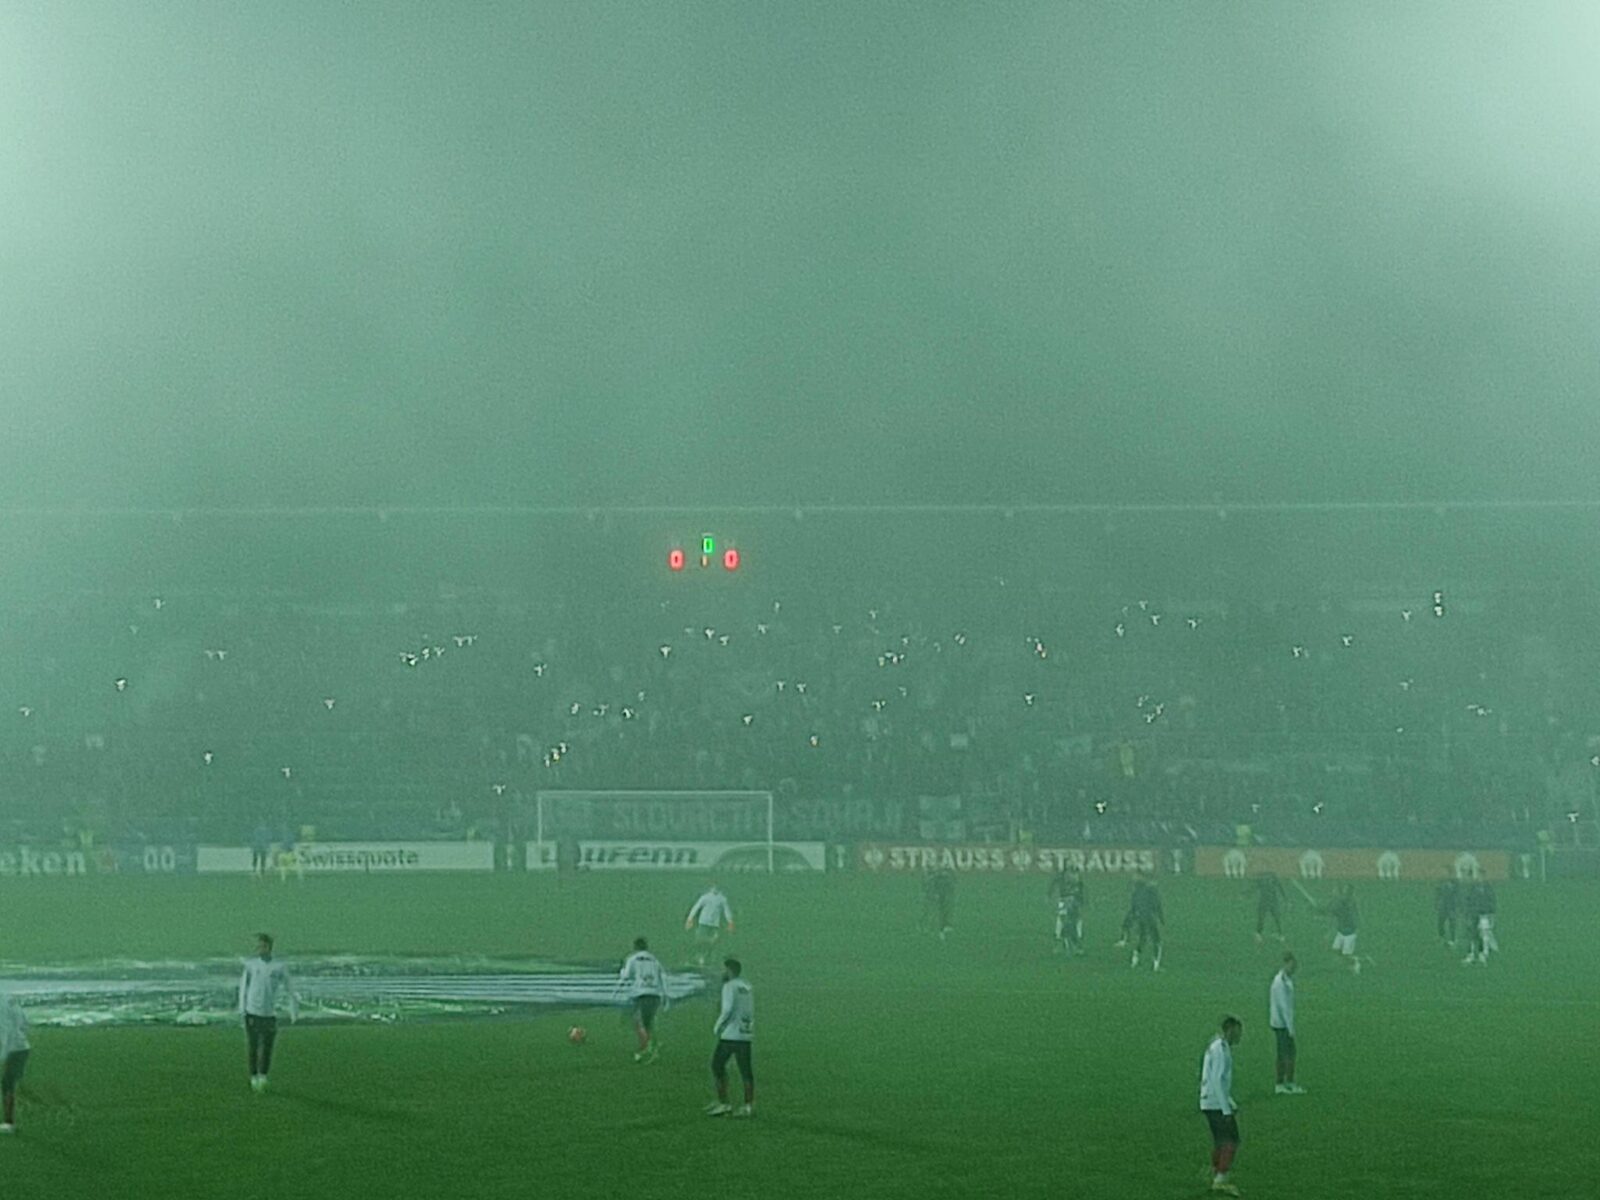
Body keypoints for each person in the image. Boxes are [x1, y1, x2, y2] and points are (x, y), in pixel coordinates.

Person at [239, 933, 298, 1092]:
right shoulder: (251, 965)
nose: (260, 949)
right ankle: (253, 1076)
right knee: (253, 1046)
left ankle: (263, 1075)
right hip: (252, 1011)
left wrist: (293, 1009)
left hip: (269, 1013)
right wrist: (242, 1009)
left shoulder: (278, 967)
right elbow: (243, 988)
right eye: (258, 946)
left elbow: (289, 988)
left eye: (263, 946)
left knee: (267, 1046)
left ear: (269, 947)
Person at [1199, 1016, 1244, 1196]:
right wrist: (1226, 1109)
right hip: (1215, 1104)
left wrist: (1230, 1101)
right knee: (1231, 1141)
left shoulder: (1219, 1046)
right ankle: (1220, 1179)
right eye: (1238, 1031)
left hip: (1211, 1101)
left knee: (1221, 1140)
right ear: (1230, 1030)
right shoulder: (1220, 1050)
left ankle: (1215, 1172)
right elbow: (1217, 1080)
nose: (1239, 1036)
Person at [704, 958, 754, 1119]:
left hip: (730, 1034)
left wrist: (718, 1026)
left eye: (724, 969)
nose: (722, 972)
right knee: (746, 1070)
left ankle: (724, 1103)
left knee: (717, 1065)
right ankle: (748, 1106)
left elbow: (727, 1009)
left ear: (730, 970)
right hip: (745, 1033)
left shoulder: (729, 986)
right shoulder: (746, 986)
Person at [618, 937, 666, 1063]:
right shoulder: (654, 959)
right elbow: (662, 975)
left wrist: (621, 970)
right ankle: (653, 1044)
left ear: (635, 947)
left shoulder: (632, 959)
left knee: (640, 1022)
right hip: (655, 994)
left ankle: (647, 1048)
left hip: (642, 993)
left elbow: (626, 976)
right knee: (648, 1022)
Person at [1268, 952, 1305, 1095]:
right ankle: (1284, 1083)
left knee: (1286, 1053)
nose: (1294, 968)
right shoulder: (1280, 982)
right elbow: (1283, 1007)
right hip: (1281, 1024)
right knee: (1286, 1053)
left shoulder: (1286, 980)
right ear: (1286, 963)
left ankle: (1286, 1082)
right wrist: (1290, 1028)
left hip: (1282, 1022)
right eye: (1292, 965)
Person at [0, 987, 29, 1134]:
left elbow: (5, 1030)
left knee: (7, 1083)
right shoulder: (9, 998)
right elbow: (25, 1021)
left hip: (13, 1049)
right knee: (8, 1083)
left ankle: (8, 1122)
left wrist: (3, 1055)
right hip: (22, 1046)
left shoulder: (2, 1003)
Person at [684, 883, 735, 967]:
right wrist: (690, 919)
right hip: (703, 923)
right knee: (700, 941)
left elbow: (726, 910)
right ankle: (699, 958)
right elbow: (696, 907)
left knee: (713, 942)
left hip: (714, 925)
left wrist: (730, 922)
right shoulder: (705, 897)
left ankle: (708, 960)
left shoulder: (722, 899)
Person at [1129, 874, 1164, 971]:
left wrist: (1134, 919)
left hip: (1140, 918)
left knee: (1142, 939)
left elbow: (1133, 908)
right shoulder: (1152, 891)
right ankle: (1156, 965)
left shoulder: (1136, 893)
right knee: (1157, 941)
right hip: (1150, 918)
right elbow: (1157, 905)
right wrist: (1161, 918)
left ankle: (1134, 961)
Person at [1049, 868, 1086, 956]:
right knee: (1064, 921)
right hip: (1065, 901)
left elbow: (1080, 893)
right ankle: (1063, 943)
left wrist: (1078, 902)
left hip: (1071, 902)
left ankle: (1072, 944)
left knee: (1071, 922)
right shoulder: (1065, 880)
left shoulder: (1077, 883)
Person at [1462, 876, 1498, 965]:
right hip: (1474, 915)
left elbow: (1492, 901)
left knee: (1483, 934)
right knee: (1472, 935)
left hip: (1483, 915)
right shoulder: (1471, 890)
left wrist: (1491, 913)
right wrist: (1467, 914)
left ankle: (1482, 954)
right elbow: (1467, 902)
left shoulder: (1488, 889)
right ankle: (1471, 954)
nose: (1480, 879)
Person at [1327, 883, 1361, 975]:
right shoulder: (1344, 901)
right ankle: (1350, 962)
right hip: (1341, 931)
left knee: (1346, 954)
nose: (1344, 891)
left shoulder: (1348, 902)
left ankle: (1355, 962)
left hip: (1348, 932)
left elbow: (1335, 911)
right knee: (1336, 950)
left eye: (1346, 890)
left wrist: (1333, 900)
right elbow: (1333, 911)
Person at [1252, 872, 1287, 944]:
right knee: (1276, 918)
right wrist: (1285, 898)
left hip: (1264, 901)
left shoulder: (1261, 878)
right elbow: (1281, 888)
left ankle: (1258, 934)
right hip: (1272, 901)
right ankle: (1280, 935)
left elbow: (1254, 888)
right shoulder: (1274, 878)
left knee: (1262, 918)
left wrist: (1246, 893)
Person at [1434, 868, 1461, 946]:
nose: (1445, 875)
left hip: (1452, 906)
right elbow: (1438, 893)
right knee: (1440, 922)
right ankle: (1441, 936)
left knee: (1452, 923)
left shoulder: (1456, 883)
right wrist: (1436, 903)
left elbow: (1458, 895)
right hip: (1443, 906)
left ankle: (1453, 939)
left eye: (1446, 873)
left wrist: (1457, 906)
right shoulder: (1441, 882)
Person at [928, 866, 956, 940]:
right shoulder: (936, 879)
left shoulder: (943, 879)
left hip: (944, 897)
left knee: (945, 911)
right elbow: (934, 888)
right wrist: (935, 894)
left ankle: (945, 925)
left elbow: (950, 886)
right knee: (940, 913)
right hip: (940, 897)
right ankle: (940, 930)